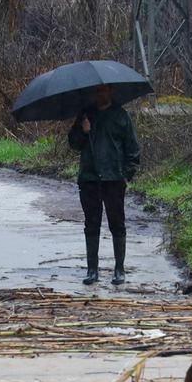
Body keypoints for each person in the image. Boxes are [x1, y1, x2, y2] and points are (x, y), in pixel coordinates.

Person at [67, 83, 141, 286]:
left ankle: (119, 269)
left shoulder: (121, 116)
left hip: (114, 179)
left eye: (104, 90)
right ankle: (92, 270)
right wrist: (83, 131)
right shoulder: (86, 115)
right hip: (89, 178)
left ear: (111, 91)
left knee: (117, 223)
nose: (100, 94)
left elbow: (132, 150)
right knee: (91, 223)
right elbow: (73, 143)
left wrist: (126, 175)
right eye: (97, 91)